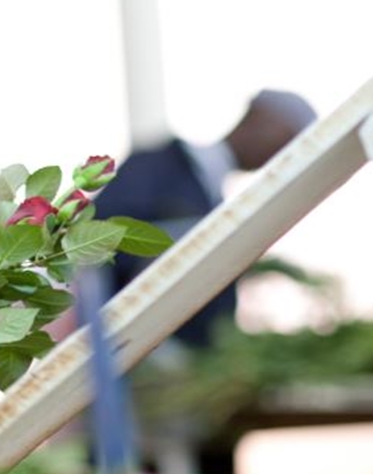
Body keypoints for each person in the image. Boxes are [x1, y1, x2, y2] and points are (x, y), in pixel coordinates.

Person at [95, 89, 317, 348]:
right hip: (126, 348)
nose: (279, 156)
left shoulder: (212, 197)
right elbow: (102, 238)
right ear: (263, 123)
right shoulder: (158, 165)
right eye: (285, 142)